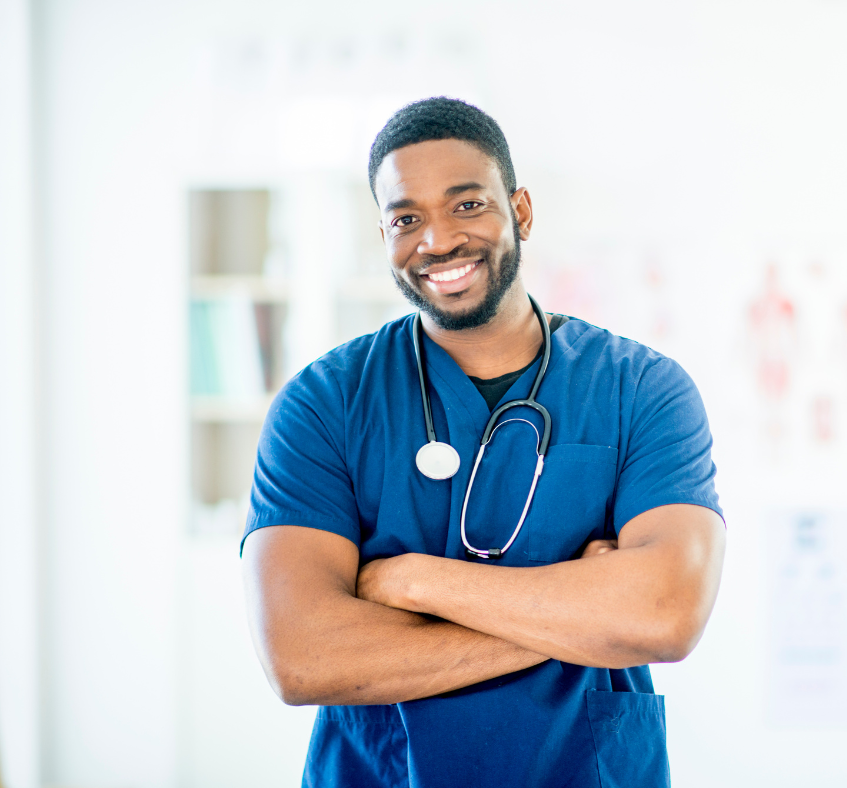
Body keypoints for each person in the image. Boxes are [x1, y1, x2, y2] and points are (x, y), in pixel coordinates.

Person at [241, 97, 726, 788]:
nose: (436, 240)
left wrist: (410, 582)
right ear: (383, 234)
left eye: (467, 205)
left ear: (521, 211)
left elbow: (665, 614)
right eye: (407, 218)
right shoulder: (324, 403)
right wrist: (580, 615)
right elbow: (301, 658)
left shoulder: (640, 389)